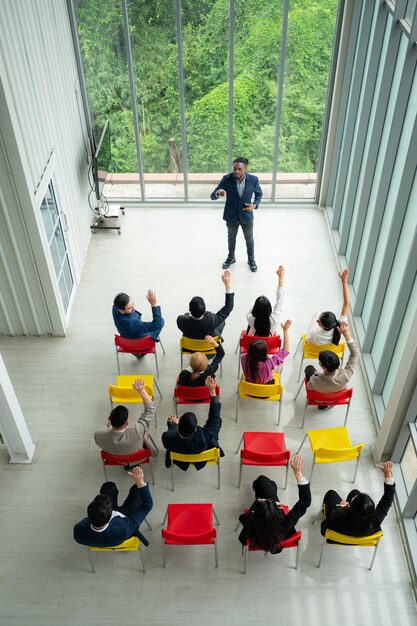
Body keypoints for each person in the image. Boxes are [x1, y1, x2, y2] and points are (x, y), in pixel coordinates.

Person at [238, 455, 311, 553]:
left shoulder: (249, 521)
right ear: (279, 510)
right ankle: (270, 486)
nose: (260, 499)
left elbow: (243, 517)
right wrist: (298, 473)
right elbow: (305, 501)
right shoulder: (285, 524)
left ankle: (263, 485)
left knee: (262, 481)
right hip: (280, 538)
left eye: (260, 500)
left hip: (257, 540)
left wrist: (253, 510)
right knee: (268, 484)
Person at [73, 466, 153, 548]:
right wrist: (141, 484)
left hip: (106, 533)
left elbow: (84, 523)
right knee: (137, 490)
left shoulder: (78, 531)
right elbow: (147, 506)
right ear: (111, 515)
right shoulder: (125, 528)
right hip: (124, 519)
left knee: (108, 486)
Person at [210, 156, 263, 272]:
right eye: (234, 169)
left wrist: (254, 205)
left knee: (249, 239)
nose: (236, 171)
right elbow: (213, 195)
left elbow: (259, 194)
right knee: (231, 237)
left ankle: (251, 260)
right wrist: (219, 192)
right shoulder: (226, 179)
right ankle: (231, 258)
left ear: (245, 168)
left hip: (246, 215)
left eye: (239, 169)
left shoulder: (254, 180)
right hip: (231, 215)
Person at [162, 376, 223, 471]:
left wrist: (173, 424)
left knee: (169, 421)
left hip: (180, 460)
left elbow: (171, 433)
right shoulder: (204, 437)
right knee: (217, 423)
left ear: (179, 426)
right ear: (195, 429)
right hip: (202, 458)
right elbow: (215, 418)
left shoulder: (167, 437)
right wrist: (212, 392)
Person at [321, 461, 395, 537]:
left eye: (354, 499)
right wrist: (388, 474)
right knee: (355, 492)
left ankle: (324, 510)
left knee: (331, 494)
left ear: (350, 508)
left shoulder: (338, 516)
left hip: (338, 535)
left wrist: (340, 506)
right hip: (363, 536)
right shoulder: (376, 519)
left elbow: (328, 521)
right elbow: (387, 500)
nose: (354, 497)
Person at [94, 378, 156, 455]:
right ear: (126, 423)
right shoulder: (136, 431)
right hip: (135, 456)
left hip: (114, 458)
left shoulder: (98, 435)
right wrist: (142, 391)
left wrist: (109, 426)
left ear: (109, 419)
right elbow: (149, 411)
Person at [304, 321, 358, 408]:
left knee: (309, 368)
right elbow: (355, 354)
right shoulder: (346, 375)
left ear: (322, 367)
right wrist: (347, 335)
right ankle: (325, 404)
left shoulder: (314, 380)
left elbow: (309, 387)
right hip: (336, 398)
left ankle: (322, 404)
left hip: (318, 399)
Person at [176, 271, 234, 339]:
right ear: (204, 310)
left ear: (189, 310)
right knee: (221, 322)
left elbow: (186, 317)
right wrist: (228, 285)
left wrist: (187, 315)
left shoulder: (181, 320)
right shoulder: (212, 320)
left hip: (189, 347)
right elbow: (229, 307)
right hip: (209, 346)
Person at [305, 268, 350, 345]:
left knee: (317, 314)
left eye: (319, 322)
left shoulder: (316, 335)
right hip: (332, 351)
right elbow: (346, 303)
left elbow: (307, 339)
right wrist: (344, 281)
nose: (317, 321)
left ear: (326, 327)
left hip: (313, 349)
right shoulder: (341, 327)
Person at [241, 320, 291, 384]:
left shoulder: (243, 358)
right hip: (267, 390)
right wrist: (285, 331)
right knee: (279, 367)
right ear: (265, 352)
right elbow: (285, 351)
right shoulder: (269, 363)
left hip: (249, 389)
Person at [247, 265, 285, 336]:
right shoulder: (274, 319)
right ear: (269, 309)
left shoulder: (249, 317)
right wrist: (280, 278)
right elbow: (280, 301)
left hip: (253, 343)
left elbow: (252, 311)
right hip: (269, 343)